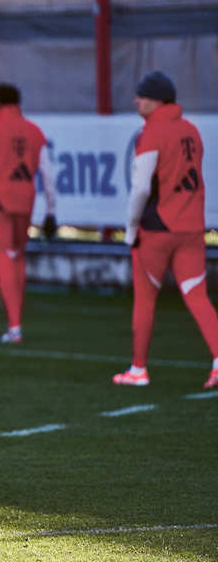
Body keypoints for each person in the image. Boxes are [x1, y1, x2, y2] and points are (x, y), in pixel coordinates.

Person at [113, 71, 218, 390]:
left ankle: (138, 369)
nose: (136, 101)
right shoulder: (191, 131)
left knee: (145, 300)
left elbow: (141, 187)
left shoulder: (152, 132)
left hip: (157, 228)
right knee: (197, 296)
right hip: (191, 227)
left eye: (142, 96)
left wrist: (131, 229)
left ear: (157, 99)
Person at [0, 83, 58, 344]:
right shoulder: (34, 131)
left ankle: (14, 326)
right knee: (17, 258)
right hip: (26, 200)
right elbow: (48, 174)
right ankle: (15, 322)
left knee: (4, 260)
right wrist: (51, 211)